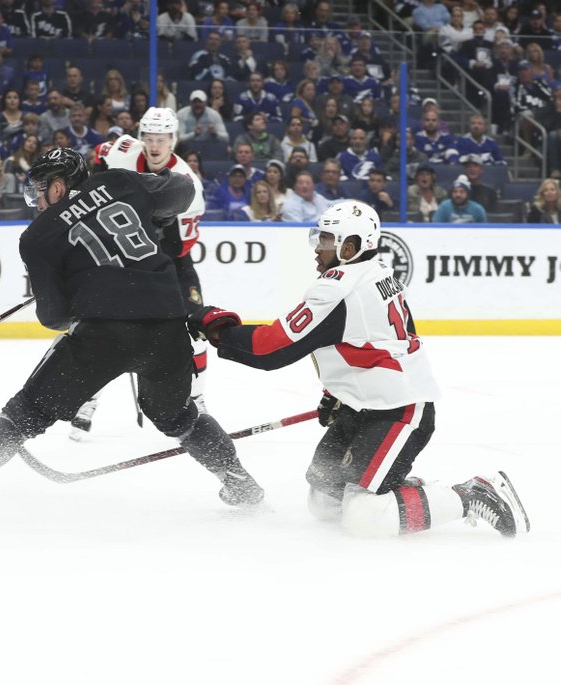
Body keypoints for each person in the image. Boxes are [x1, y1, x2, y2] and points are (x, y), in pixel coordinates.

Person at [0, 147, 263, 519]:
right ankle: (239, 481)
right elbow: (183, 189)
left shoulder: (37, 237)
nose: (37, 201)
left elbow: (54, 317)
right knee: (180, 416)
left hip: (102, 335)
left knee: (22, 415)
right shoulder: (119, 180)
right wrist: (158, 214)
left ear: (57, 187)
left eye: (40, 189)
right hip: (167, 324)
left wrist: (77, 288)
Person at [190, 199, 529, 539]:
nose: (317, 248)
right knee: (324, 501)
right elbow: (366, 343)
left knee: (364, 518)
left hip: (398, 409)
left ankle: (470, 494)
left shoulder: (338, 290)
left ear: (349, 248)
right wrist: (335, 393)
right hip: (362, 405)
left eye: (325, 240)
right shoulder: (377, 272)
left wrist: (218, 330)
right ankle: (398, 488)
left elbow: (272, 350)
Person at [71, 107, 208, 439]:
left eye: (162, 140)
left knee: (196, 329)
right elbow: (98, 162)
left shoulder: (189, 185)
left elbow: (179, 248)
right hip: (125, 258)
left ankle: (197, 397)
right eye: (149, 138)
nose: (155, 146)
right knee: (105, 327)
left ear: (173, 141)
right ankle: (89, 398)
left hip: (171, 264)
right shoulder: (123, 151)